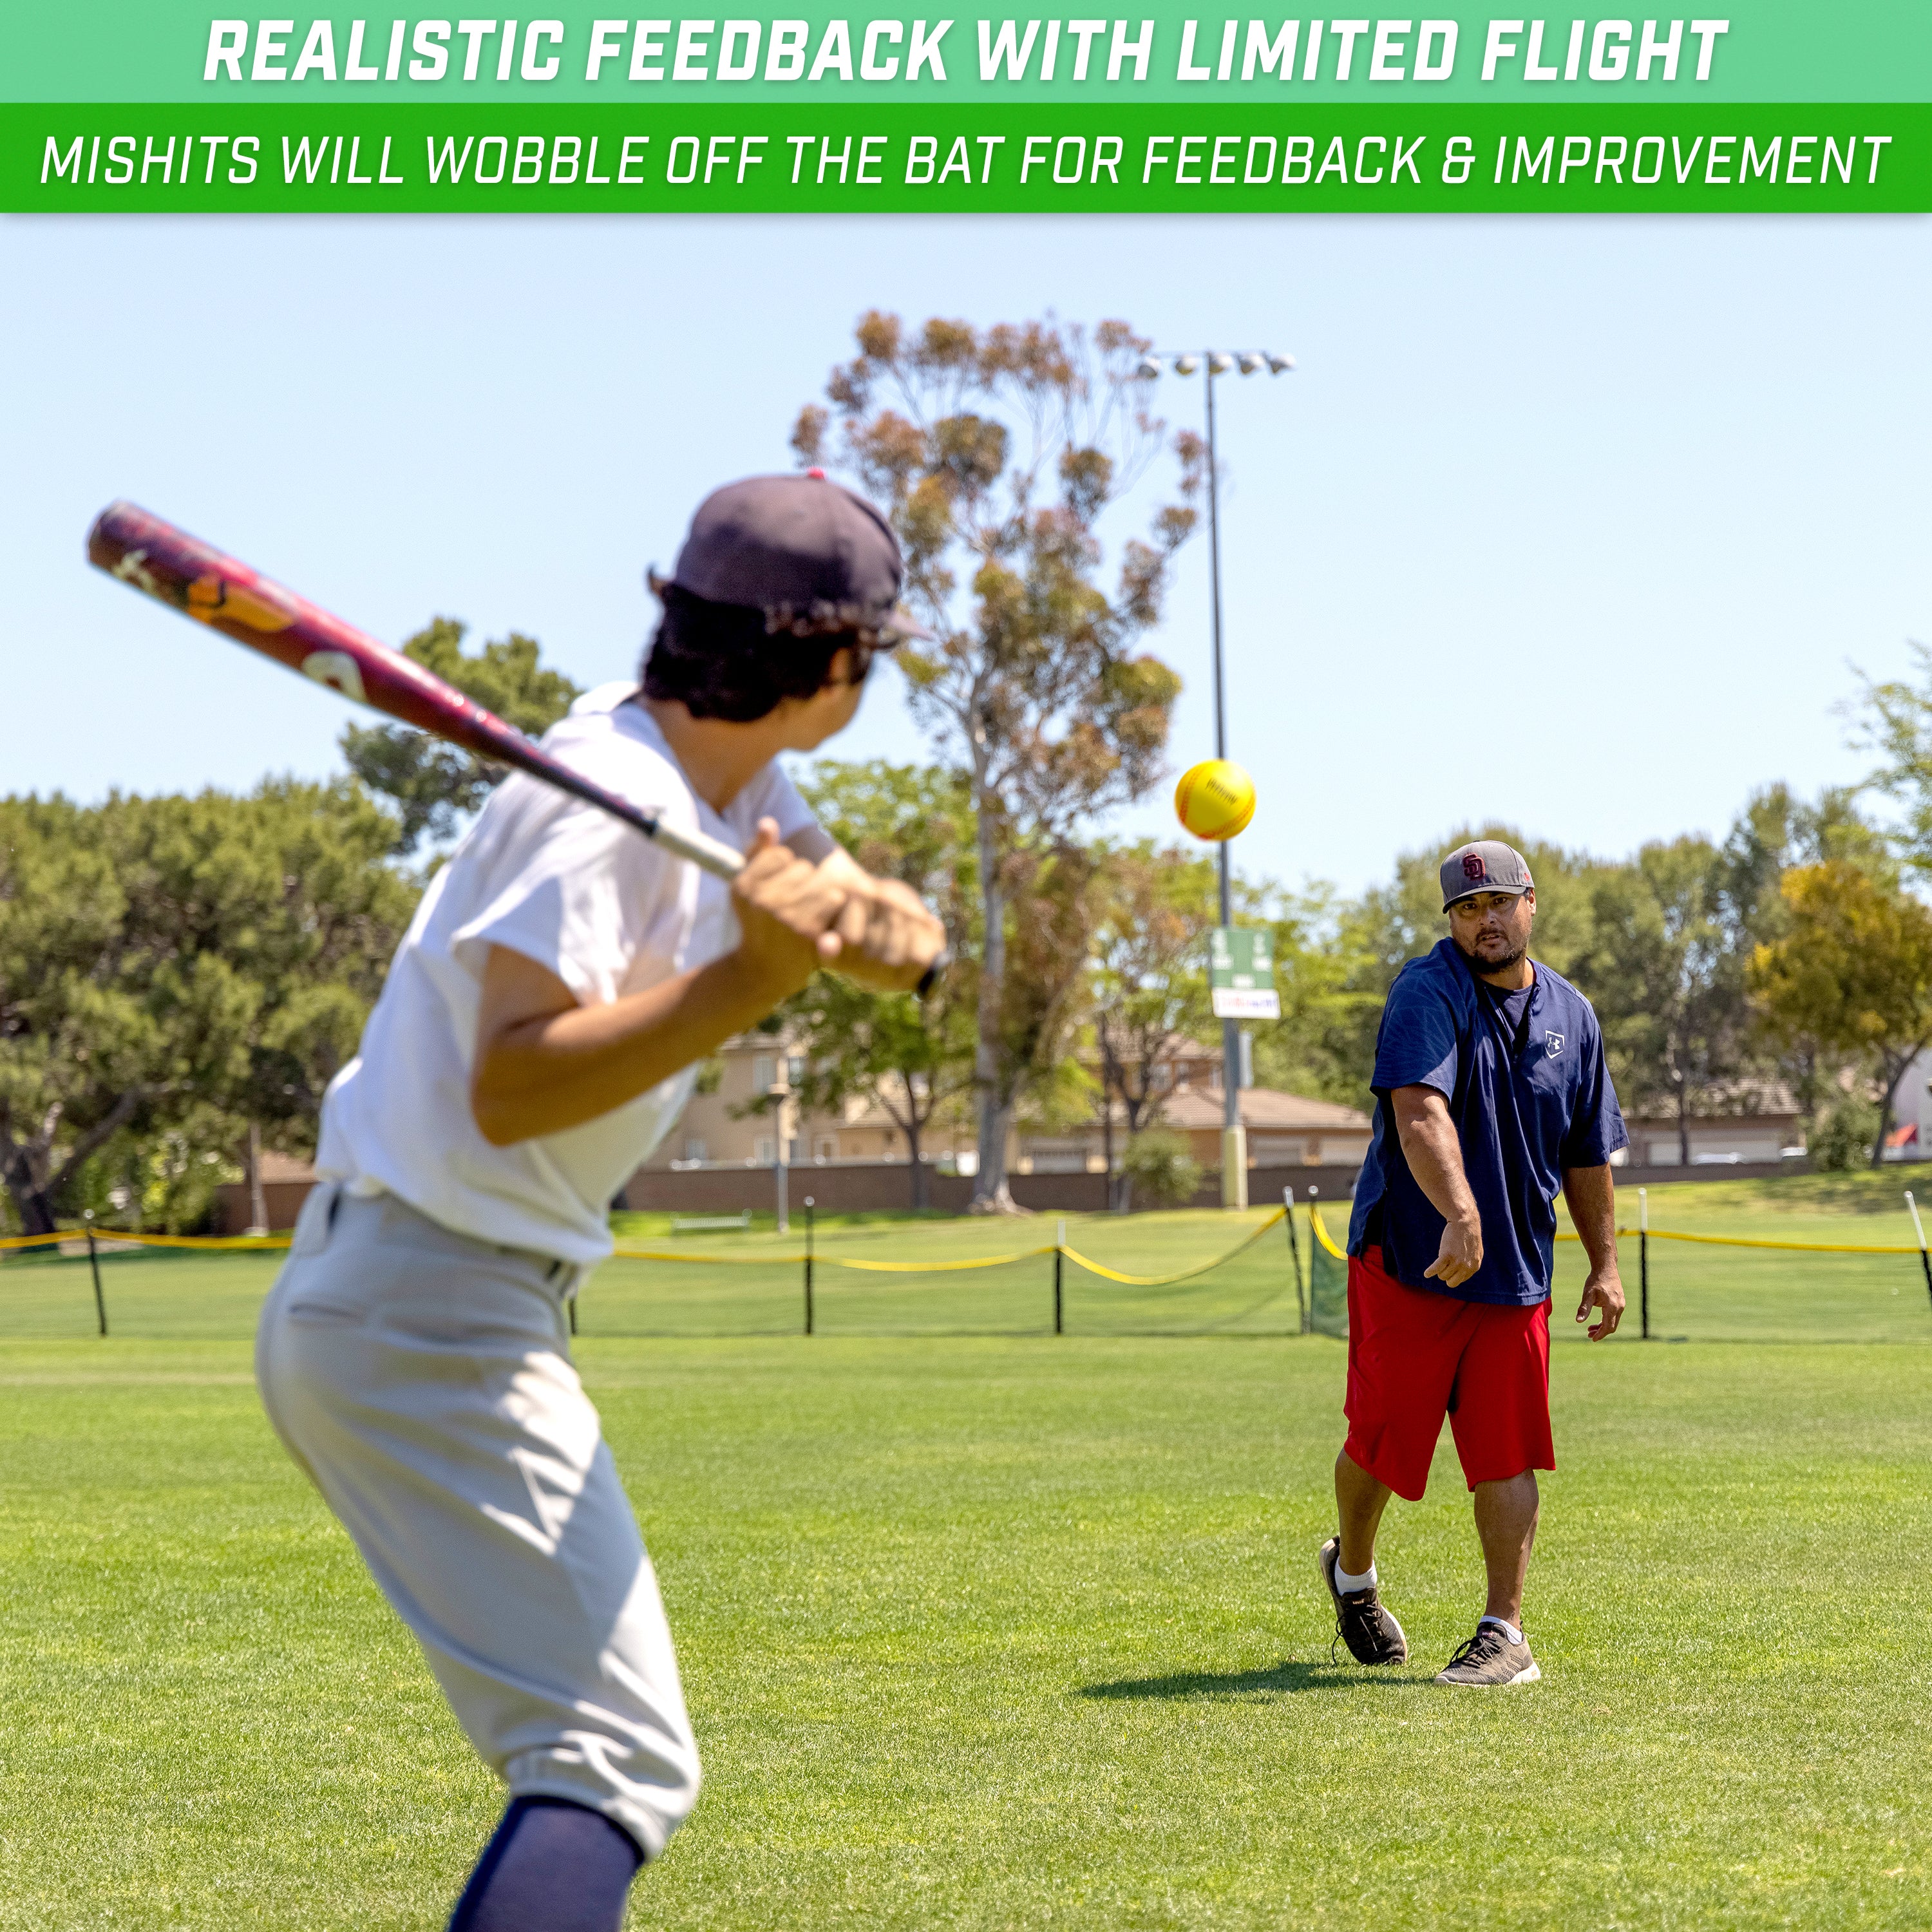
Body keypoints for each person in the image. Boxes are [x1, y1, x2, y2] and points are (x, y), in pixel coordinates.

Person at [256, 474, 947, 1931]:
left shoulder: (727, 780)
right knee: (610, 1757)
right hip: (430, 1302)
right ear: (829, 665)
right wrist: (750, 982)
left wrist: (892, 928)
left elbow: (869, 911)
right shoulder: (612, 801)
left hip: (436, 1295)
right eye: (874, 652)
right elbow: (512, 1081)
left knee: (606, 1754)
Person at [1316, 839, 1626, 1688]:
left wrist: (1604, 1264)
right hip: (1412, 1261)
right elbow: (1420, 1112)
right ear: (1451, 920)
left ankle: (1505, 1634)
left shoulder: (1574, 1016)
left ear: (1531, 903)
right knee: (1381, 1446)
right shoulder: (1428, 991)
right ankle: (1353, 1573)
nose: (1484, 921)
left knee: (1506, 1451)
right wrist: (1459, 1210)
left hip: (1516, 1273)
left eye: (1498, 904)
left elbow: (1589, 1154)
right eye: (1466, 909)